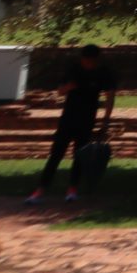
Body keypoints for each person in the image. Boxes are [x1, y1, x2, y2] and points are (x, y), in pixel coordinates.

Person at [28, 46, 118, 204]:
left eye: (91, 61)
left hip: (87, 118)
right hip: (68, 118)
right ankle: (40, 190)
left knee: (80, 154)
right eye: (85, 60)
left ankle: (72, 190)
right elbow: (60, 91)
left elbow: (110, 96)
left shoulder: (103, 72)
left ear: (96, 60)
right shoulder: (74, 70)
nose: (88, 64)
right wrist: (68, 87)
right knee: (56, 154)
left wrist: (106, 120)